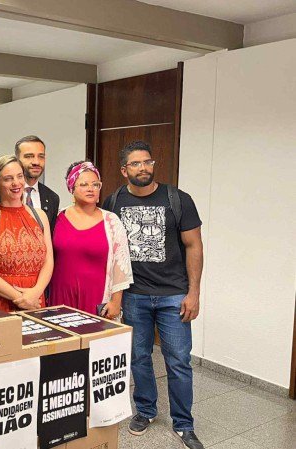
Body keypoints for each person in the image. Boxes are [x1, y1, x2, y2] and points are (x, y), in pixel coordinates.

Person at [103, 141, 204, 449]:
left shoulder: (178, 199)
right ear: (124, 170)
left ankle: (184, 424)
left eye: (148, 162)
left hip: (174, 295)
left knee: (178, 361)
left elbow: (194, 246)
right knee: (139, 357)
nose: (143, 168)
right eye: (136, 163)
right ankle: (146, 411)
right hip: (134, 295)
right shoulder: (114, 202)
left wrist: (194, 292)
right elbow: (109, 251)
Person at [48, 161, 132, 318]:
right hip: (60, 297)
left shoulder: (111, 221)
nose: (90, 189)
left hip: (97, 298)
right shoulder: (57, 218)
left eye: (95, 184)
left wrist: (116, 302)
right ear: (71, 188)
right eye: (84, 184)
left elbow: (121, 265)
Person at [0, 155, 53, 312]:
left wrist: (36, 292)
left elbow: (48, 261)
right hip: (0, 302)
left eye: (19, 176)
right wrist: (20, 298)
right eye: (8, 179)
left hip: (35, 300)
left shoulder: (40, 216)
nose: (16, 183)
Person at [15, 135, 60, 233]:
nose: (36, 162)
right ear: (16, 160)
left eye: (41, 156)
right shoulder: (0, 191)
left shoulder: (52, 198)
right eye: (29, 156)